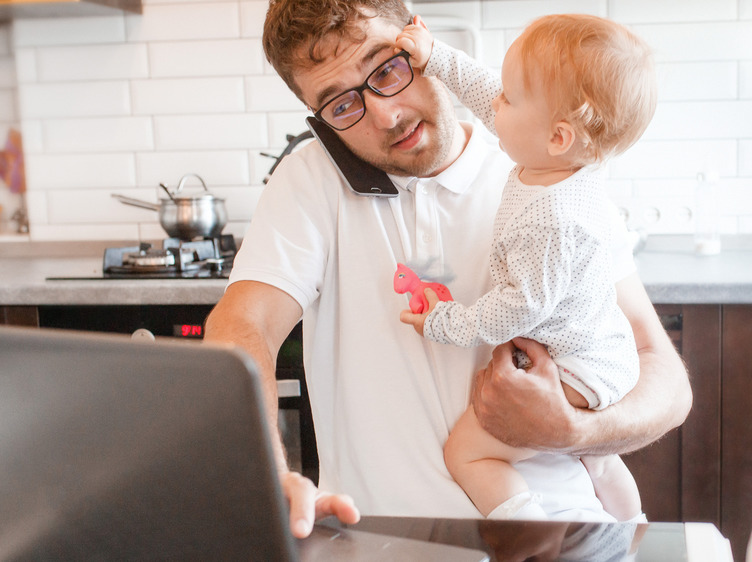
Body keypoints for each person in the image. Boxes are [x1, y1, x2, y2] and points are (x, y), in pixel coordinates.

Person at [203, 0, 691, 538]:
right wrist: (265, 476)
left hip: (565, 534)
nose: (386, 115)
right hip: (382, 542)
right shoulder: (309, 180)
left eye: (387, 70)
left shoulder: (545, 167)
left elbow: (661, 374)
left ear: (419, 41)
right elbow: (242, 327)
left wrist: (573, 429)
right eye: (343, 106)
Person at [395, 14, 656, 522]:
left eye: (510, 98)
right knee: (597, 463)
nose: (496, 103)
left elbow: (519, 307)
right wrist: (436, 57)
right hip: (602, 353)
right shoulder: (559, 161)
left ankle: (529, 536)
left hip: (577, 368)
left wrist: (445, 323)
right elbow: (486, 91)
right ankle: (634, 531)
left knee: (468, 453)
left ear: (557, 135)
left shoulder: (551, 218)